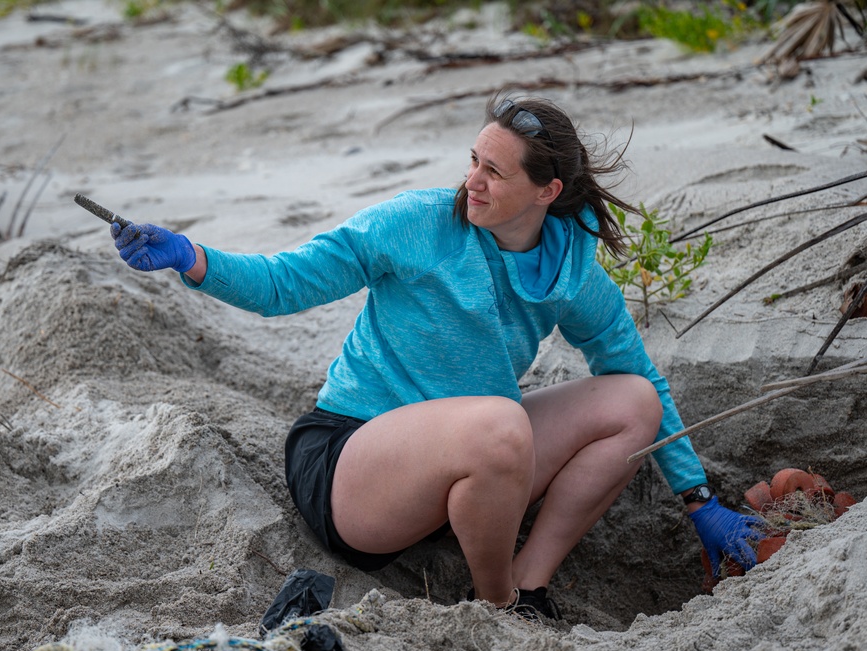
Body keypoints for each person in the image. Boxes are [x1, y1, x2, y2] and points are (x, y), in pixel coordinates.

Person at [109, 95, 764, 622]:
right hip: (352, 467)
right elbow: (282, 284)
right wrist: (189, 257)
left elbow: (637, 370)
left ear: (545, 191)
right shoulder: (415, 223)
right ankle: (497, 603)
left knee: (632, 403)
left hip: (469, 464)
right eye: (472, 160)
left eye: (494, 171)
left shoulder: (569, 270)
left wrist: (697, 497)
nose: (471, 182)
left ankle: (531, 587)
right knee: (498, 424)